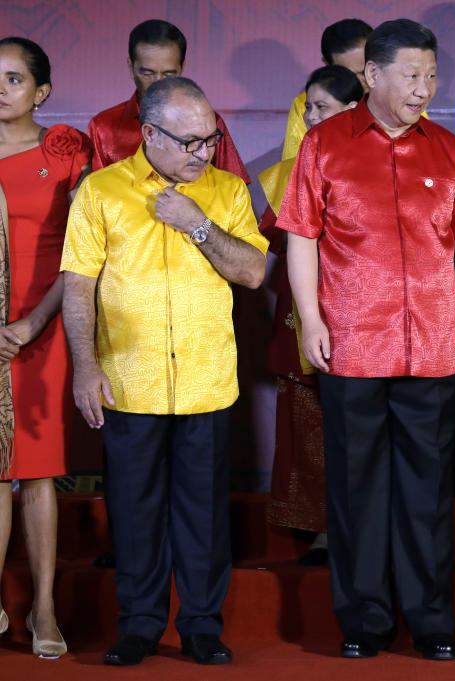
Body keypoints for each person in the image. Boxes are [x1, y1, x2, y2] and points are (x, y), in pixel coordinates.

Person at [277, 19, 455, 661]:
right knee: (356, 489)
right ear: (372, 76)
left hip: (434, 345)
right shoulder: (323, 144)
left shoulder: (447, 149)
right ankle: (364, 620)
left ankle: (432, 621)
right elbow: (301, 238)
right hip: (351, 345)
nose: (424, 87)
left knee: (428, 491)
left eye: (432, 74)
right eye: (411, 74)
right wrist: (313, 319)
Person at [61, 77, 268, 667]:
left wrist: (198, 224)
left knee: (204, 514)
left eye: (210, 139)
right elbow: (78, 285)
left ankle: (202, 627)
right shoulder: (101, 191)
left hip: (206, 382)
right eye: (190, 142)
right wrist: (84, 367)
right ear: (150, 133)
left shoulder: (226, 191)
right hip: (129, 381)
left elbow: (253, 273)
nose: (202, 153)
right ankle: (141, 626)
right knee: (135, 511)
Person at [0, 36, 91, 660]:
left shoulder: (63, 152)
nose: (0, 89)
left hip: (43, 326)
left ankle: (44, 605)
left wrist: (32, 325)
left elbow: (82, 253)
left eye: (12, 78)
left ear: (42, 91)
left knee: (35, 472)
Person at [261, 65, 363, 566]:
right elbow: (274, 238)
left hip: (363, 313)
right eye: (308, 107)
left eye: (321, 107)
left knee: (358, 426)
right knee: (309, 423)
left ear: (352, 109)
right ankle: (320, 528)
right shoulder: (297, 163)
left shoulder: (376, 160)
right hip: (302, 313)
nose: (310, 116)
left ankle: (360, 528)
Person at [86, 19, 249, 183]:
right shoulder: (104, 127)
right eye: (148, 73)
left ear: (182, 67)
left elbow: (232, 189)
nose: (158, 83)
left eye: (168, 74)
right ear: (131, 67)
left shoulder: (208, 122)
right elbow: (98, 190)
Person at [281, 18, 372, 159]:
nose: (361, 81)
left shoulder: (407, 99)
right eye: (348, 74)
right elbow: (295, 169)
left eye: (365, 70)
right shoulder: (305, 105)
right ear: (327, 64)